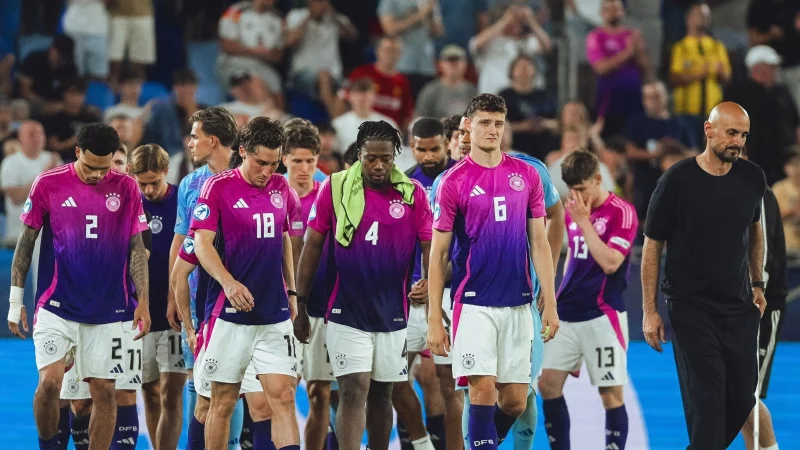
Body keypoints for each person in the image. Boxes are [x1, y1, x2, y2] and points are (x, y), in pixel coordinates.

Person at [7, 123, 151, 450]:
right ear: (77, 153)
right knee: (49, 386)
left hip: (109, 308)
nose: (97, 175)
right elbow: (26, 243)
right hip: (57, 304)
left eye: (104, 168)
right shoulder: (48, 183)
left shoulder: (127, 187)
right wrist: (16, 301)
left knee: (104, 391)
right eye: (89, 167)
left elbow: (136, 249)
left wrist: (142, 300)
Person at [427, 94, 559, 450]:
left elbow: (540, 242)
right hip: (474, 303)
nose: (492, 130)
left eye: (498, 123)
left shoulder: (527, 175)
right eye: (484, 122)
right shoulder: (452, 181)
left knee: (515, 401)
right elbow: (439, 253)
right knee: (482, 389)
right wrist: (433, 319)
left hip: (518, 302)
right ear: (468, 125)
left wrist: (550, 301)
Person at [294, 120, 433, 450]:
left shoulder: (413, 195)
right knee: (354, 388)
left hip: (392, 311)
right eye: (371, 157)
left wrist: (429, 280)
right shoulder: (336, 187)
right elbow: (312, 245)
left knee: (383, 392)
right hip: (346, 309)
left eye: (386, 158)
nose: (379, 165)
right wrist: (299, 305)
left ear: (396, 156)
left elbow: (431, 247)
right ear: (359, 154)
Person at [641, 102, 767, 450]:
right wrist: (649, 310)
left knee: (743, 398)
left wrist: (757, 282)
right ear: (709, 131)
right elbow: (652, 246)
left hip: (739, 306)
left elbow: (755, 230)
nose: (738, 142)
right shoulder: (676, 180)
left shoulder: (752, 177)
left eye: (743, 135)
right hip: (690, 308)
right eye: (731, 133)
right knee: (708, 402)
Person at [191, 117, 301, 450]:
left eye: (274, 163)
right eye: (260, 162)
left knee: (282, 397)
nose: (267, 171)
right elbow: (201, 244)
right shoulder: (218, 187)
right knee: (222, 401)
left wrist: (292, 292)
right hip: (229, 316)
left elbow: (283, 238)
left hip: (273, 313)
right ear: (242, 152)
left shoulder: (282, 188)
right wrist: (228, 283)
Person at [538, 149, 637, 450]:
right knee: (547, 385)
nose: (577, 197)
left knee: (610, 395)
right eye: (572, 190)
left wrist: (583, 222)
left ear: (597, 178)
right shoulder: (574, 209)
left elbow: (610, 262)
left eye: (581, 189)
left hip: (602, 315)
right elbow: (573, 259)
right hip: (567, 312)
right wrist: (556, 293)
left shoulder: (622, 212)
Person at [167, 106, 244, 449]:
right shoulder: (190, 183)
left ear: (212, 141)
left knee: (245, 388)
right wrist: (174, 293)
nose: (190, 142)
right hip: (201, 299)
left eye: (195, 136)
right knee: (201, 384)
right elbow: (180, 239)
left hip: (247, 297)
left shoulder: (253, 174)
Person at [400, 117, 455, 450]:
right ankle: (418, 444)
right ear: (412, 147)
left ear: (447, 143)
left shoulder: (461, 179)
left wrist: (435, 279)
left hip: (448, 293)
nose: (428, 155)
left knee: (448, 384)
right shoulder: (406, 184)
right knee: (392, 377)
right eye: (421, 149)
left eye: (435, 148)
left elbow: (465, 242)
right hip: (411, 296)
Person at [128, 144, 186, 450]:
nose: (149, 189)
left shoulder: (182, 199)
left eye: (155, 181)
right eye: (143, 183)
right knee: (149, 391)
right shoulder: (128, 201)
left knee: (172, 391)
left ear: (166, 171)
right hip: (141, 309)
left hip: (174, 308)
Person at [281, 118, 333, 450]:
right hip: (280, 308)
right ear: (283, 158)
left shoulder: (329, 194)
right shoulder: (271, 193)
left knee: (319, 392)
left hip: (320, 306)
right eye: (297, 160)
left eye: (310, 161)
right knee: (282, 391)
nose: (304, 168)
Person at [739, 146, 785, 450]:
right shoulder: (722, 192)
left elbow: (763, 255)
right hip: (732, 305)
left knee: (745, 397)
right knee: (738, 398)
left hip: (759, 305)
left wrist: (754, 292)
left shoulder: (759, 192)